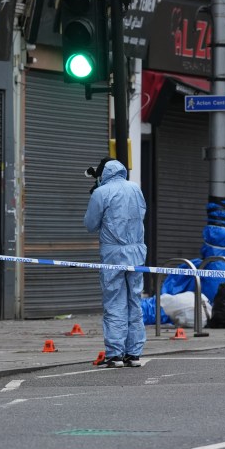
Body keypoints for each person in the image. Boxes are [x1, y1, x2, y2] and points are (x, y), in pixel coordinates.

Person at [84, 157, 148, 368]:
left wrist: (95, 195)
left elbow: (90, 224)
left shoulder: (102, 192)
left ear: (103, 174)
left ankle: (115, 354)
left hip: (114, 253)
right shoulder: (135, 188)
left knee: (114, 302)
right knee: (134, 301)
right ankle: (134, 353)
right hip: (137, 251)